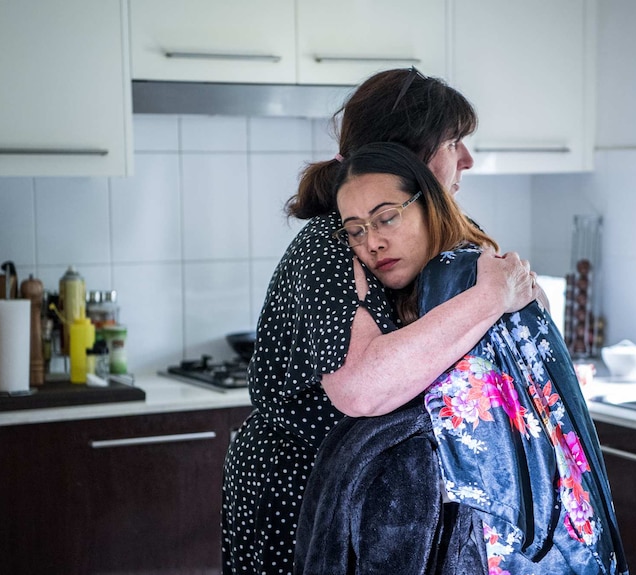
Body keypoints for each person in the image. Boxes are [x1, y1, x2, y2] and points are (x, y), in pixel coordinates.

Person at [221, 68, 537, 575]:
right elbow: (363, 388)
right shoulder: (331, 244)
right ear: (406, 157)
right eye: (453, 141)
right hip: (304, 495)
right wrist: (490, 297)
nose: (467, 160)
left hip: (388, 503)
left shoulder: (437, 233)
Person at [295, 142, 629, 575]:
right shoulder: (443, 284)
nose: (372, 242)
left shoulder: (459, 277)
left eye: (386, 217)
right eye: (355, 230)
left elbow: (485, 466)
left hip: (515, 546)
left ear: (428, 205)